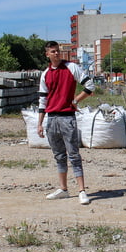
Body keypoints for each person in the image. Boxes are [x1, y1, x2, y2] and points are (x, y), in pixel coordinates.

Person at [36, 41, 94, 205]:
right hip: (51, 118)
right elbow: (43, 100)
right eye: (53, 51)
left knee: (74, 154)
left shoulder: (71, 67)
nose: (56, 54)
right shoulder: (45, 74)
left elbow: (90, 85)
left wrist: (76, 100)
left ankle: (82, 190)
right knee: (59, 155)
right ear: (47, 54)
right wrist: (40, 123)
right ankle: (63, 189)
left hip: (67, 117)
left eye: (57, 51)